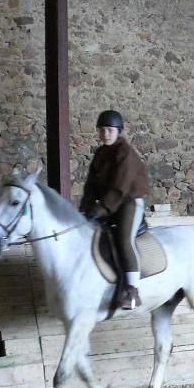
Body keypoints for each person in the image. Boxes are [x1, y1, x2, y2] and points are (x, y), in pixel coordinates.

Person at [79, 110, 149, 310]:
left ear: (118, 132)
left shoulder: (124, 152)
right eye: (102, 130)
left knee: (123, 239)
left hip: (128, 202)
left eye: (110, 130)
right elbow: (91, 186)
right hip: (109, 204)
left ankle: (133, 291)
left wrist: (100, 210)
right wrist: (85, 210)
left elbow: (120, 188)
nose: (105, 134)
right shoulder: (101, 153)